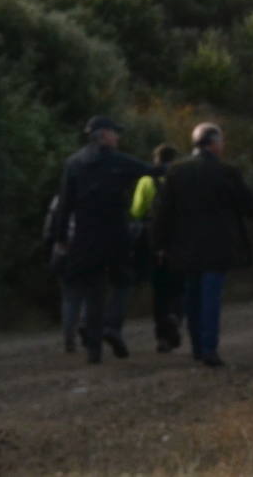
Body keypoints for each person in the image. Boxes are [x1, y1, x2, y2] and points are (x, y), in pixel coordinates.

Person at [153, 122, 253, 368]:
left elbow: (163, 212)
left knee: (192, 297)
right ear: (212, 143)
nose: (223, 145)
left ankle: (198, 347)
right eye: (221, 141)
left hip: (185, 246)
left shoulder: (177, 171)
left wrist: (160, 244)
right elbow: (248, 206)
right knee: (210, 297)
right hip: (218, 245)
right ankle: (210, 348)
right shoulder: (227, 172)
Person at [52, 115, 151, 364]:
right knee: (123, 282)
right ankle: (112, 325)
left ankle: (94, 349)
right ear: (104, 134)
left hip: (85, 238)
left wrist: (61, 237)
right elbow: (150, 171)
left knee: (93, 291)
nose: (118, 137)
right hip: (115, 234)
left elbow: (65, 204)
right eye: (115, 132)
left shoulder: (74, 163)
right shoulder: (119, 160)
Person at [131, 143, 184, 352]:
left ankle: (162, 335)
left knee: (159, 287)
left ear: (156, 159)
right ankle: (176, 316)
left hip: (152, 238)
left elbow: (136, 211)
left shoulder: (146, 180)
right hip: (178, 237)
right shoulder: (182, 177)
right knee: (180, 283)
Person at [42, 193, 84, 352]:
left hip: (62, 251)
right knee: (88, 292)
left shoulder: (58, 199)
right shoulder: (89, 197)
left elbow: (48, 227)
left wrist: (49, 248)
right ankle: (84, 325)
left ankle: (69, 337)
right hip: (85, 251)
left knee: (68, 297)